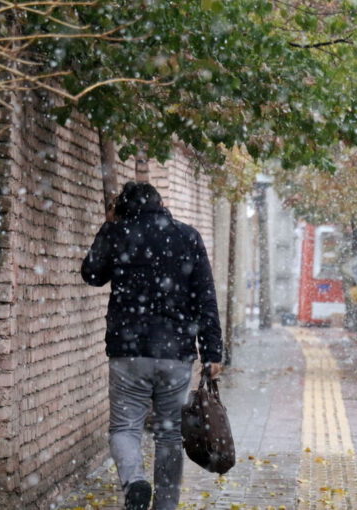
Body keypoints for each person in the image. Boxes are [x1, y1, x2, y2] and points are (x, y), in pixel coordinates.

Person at [81, 181, 223, 510]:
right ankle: (165, 506)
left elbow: (91, 274)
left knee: (124, 427)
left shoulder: (118, 234)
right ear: (161, 204)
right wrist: (212, 353)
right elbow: (205, 298)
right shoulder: (187, 236)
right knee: (169, 434)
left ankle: (135, 482)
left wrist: (108, 224)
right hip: (175, 353)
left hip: (127, 351)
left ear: (123, 208)